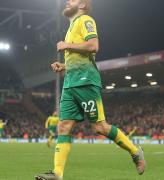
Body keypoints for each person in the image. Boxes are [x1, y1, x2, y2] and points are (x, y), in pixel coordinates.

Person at [35, 0, 145, 179]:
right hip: (70, 83)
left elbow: (93, 46)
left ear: (82, 5)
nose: (68, 1)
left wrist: (66, 45)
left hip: (86, 81)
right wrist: (64, 66)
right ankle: (57, 174)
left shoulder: (86, 20)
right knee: (64, 126)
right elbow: (79, 58)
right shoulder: (71, 27)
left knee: (100, 127)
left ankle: (135, 151)